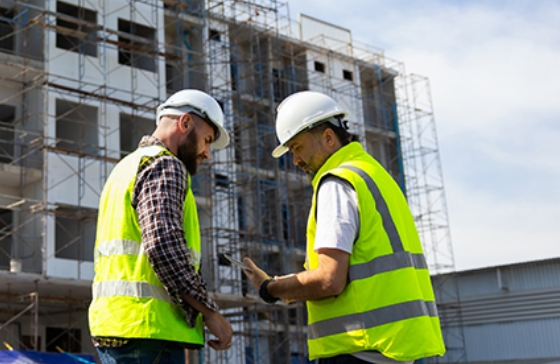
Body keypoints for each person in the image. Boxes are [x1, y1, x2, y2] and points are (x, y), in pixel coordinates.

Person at [242, 91, 446, 364]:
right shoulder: (374, 174)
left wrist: (269, 288)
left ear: (328, 138)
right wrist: (283, 284)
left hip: (359, 349)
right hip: (393, 348)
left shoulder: (337, 183)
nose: (295, 160)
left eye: (297, 147)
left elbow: (329, 279)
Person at [89, 89, 234, 364]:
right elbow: (163, 245)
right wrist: (210, 312)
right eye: (206, 140)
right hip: (148, 333)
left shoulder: (125, 167)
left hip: (118, 329)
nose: (207, 153)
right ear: (185, 123)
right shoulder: (165, 165)